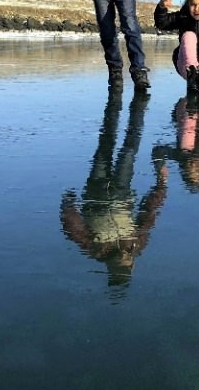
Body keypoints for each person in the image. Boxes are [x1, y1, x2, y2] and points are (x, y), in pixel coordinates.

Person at [60, 88, 168, 297]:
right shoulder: (137, 244)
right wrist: (161, 186)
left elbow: (74, 228)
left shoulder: (97, 250)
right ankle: (138, 112)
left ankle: (114, 107)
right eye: (125, 266)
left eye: (118, 267)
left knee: (104, 148)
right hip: (121, 194)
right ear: (132, 266)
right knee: (128, 152)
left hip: (96, 192)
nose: (123, 261)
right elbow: (148, 215)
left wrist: (68, 206)